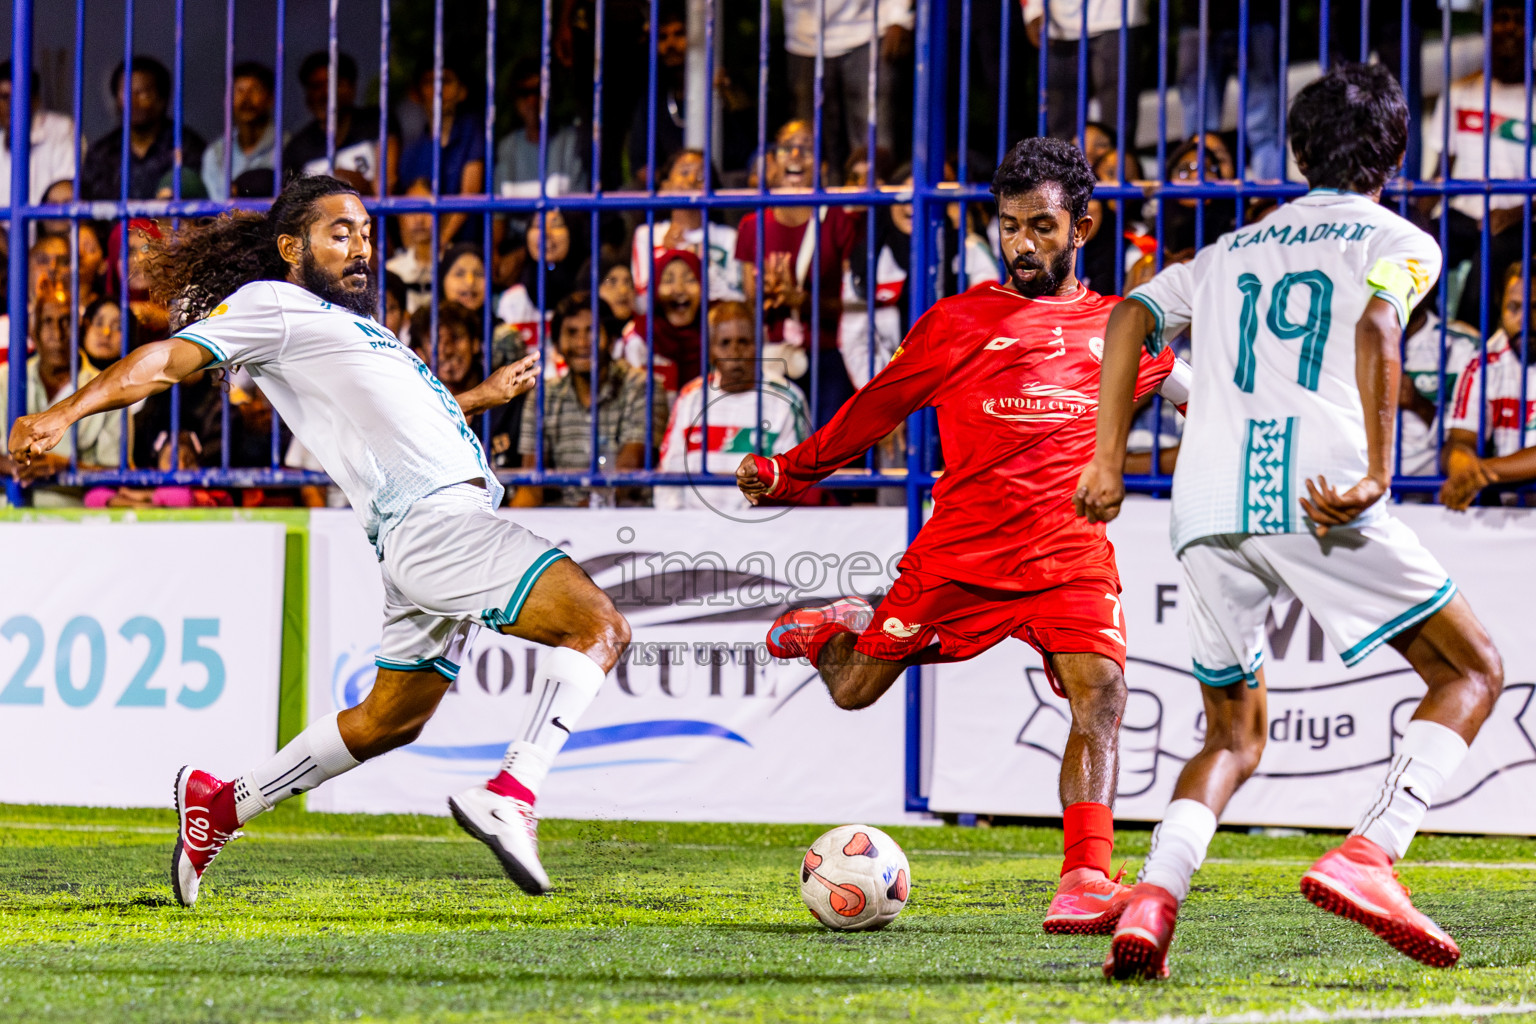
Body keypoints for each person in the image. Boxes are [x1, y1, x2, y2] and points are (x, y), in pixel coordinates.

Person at [6, 174, 613, 905]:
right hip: (439, 526)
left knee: (390, 721)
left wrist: (480, 397)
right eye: (340, 233)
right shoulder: (272, 304)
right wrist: (62, 413)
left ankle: (222, 804)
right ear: (292, 247)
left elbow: (402, 422)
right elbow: (165, 362)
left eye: (366, 233)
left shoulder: (356, 325)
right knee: (598, 626)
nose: (360, 248)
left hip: (426, 527)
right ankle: (513, 792)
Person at [1077, 64, 1505, 979]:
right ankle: (1373, 851)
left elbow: (1128, 317)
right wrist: (1379, 473)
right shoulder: (1399, 239)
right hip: (1315, 490)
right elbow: (1378, 327)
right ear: (1394, 155)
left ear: (1299, 153)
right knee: (1473, 669)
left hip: (1205, 503)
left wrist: (1108, 460)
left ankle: (1151, 899)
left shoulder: (1228, 250)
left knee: (1231, 734)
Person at [737, 138, 1192, 936]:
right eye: (1011, 226)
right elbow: (874, 409)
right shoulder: (957, 323)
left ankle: (1083, 879)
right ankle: (836, 632)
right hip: (963, 553)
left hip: (1069, 555)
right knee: (854, 690)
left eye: (1042, 226)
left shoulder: (1121, 327)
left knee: (1103, 693)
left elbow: (1190, 389)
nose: (1023, 244)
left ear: (1082, 228)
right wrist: (790, 470)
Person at [734, 120, 860, 426]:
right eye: (786, 148)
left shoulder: (838, 220)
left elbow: (856, 305)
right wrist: (766, 293)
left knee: (825, 447)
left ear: (822, 167)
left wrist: (802, 301)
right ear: (771, 162)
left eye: (806, 148)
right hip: (770, 360)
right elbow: (748, 306)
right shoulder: (751, 225)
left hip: (828, 357)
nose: (795, 154)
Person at [514, 292, 667, 508]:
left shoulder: (643, 387)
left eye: (591, 331)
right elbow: (531, 485)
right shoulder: (542, 396)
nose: (581, 342)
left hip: (626, 518)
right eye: (571, 332)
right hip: (560, 521)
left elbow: (624, 477)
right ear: (556, 344)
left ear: (611, 339)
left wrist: (575, 521)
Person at [656, 300, 809, 511]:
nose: (735, 352)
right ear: (711, 351)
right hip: (692, 526)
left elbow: (794, 482)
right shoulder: (690, 398)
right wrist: (677, 524)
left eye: (744, 342)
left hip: (761, 527)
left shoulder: (786, 400)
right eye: (725, 343)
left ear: (759, 345)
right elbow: (668, 479)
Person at [0, 294, 124, 504]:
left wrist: (66, 467)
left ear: (81, 329)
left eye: (66, 321)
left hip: (77, 518)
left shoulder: (109, 389)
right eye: (47, 322)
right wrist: (9, 465)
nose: (57, 334)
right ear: (33, 332)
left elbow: (121, 477)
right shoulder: (4, 379)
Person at [780, 0, 912, 183]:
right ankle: (823, 200)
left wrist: (898, 16)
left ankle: (871, 199)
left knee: (873, 151)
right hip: (804, 37)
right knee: (809, 146)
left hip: (869, 28)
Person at [1439, 262, 1536, 506]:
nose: (1524, 320)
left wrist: (1479, 473)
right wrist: (1460, 463)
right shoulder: (1483, 363)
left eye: (1535, 307)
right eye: (1513, 307)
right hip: (1511, 514)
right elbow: (1459, 440)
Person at [630, 149, 742, 313]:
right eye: (684, 173)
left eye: (702, 176)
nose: (692, 180)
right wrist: (667, 255)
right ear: (665, 186)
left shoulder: (728, 238)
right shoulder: (647, 236)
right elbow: (642, 301)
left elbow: (737, 299)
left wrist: (703, 266)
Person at [80, 57, 206, 201]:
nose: (133, 102)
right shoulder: (101, 153)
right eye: (126, 93)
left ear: (162, 99)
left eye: (143, 94)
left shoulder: (187, 147)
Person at [1024, 0, 1146, 145]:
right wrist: (1032, 11)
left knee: (1116, 120)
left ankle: (1116, 158)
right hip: (1056, 24)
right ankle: (1065, 160)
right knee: (1060, 123)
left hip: (1116, 17)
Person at [397, 64, 486, 248]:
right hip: (424, 252)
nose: (437, 90)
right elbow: (407, 211)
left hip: (465, 248)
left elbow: (470, 193)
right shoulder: (412, 151)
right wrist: (414, 255)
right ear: (416, 94)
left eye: (445, 81)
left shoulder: (472, 131)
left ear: (463, 91)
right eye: (429, 82)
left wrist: (438, 246)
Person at [286, 51, 398, 195]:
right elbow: (290, 201)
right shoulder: (298, 148)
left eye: (332, 85)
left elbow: (387, 184)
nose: (324, 94)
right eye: (315, 86)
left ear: (351, 88)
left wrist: (356, 184)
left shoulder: (377, 123)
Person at [494, 57, 588, 207]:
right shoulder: (507, 148)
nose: (532, 100)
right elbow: (498, 214)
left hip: (561, 223)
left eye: (539, 91)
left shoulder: (572, 142)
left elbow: (581, 207)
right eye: (524, 93)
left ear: (553, 94)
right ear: (514, 99)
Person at [0, 61, 79, 207]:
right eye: (4, 97)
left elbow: (65, 196)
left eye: (18, 95)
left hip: (51, 222)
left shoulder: (61, 130)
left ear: (35, 101)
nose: (10, 104)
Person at [200, 62, 277, 202]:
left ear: (271, 99)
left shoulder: (287, 147)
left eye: (256, 90)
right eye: (239, 90)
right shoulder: (216, 153)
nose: (246, 99)